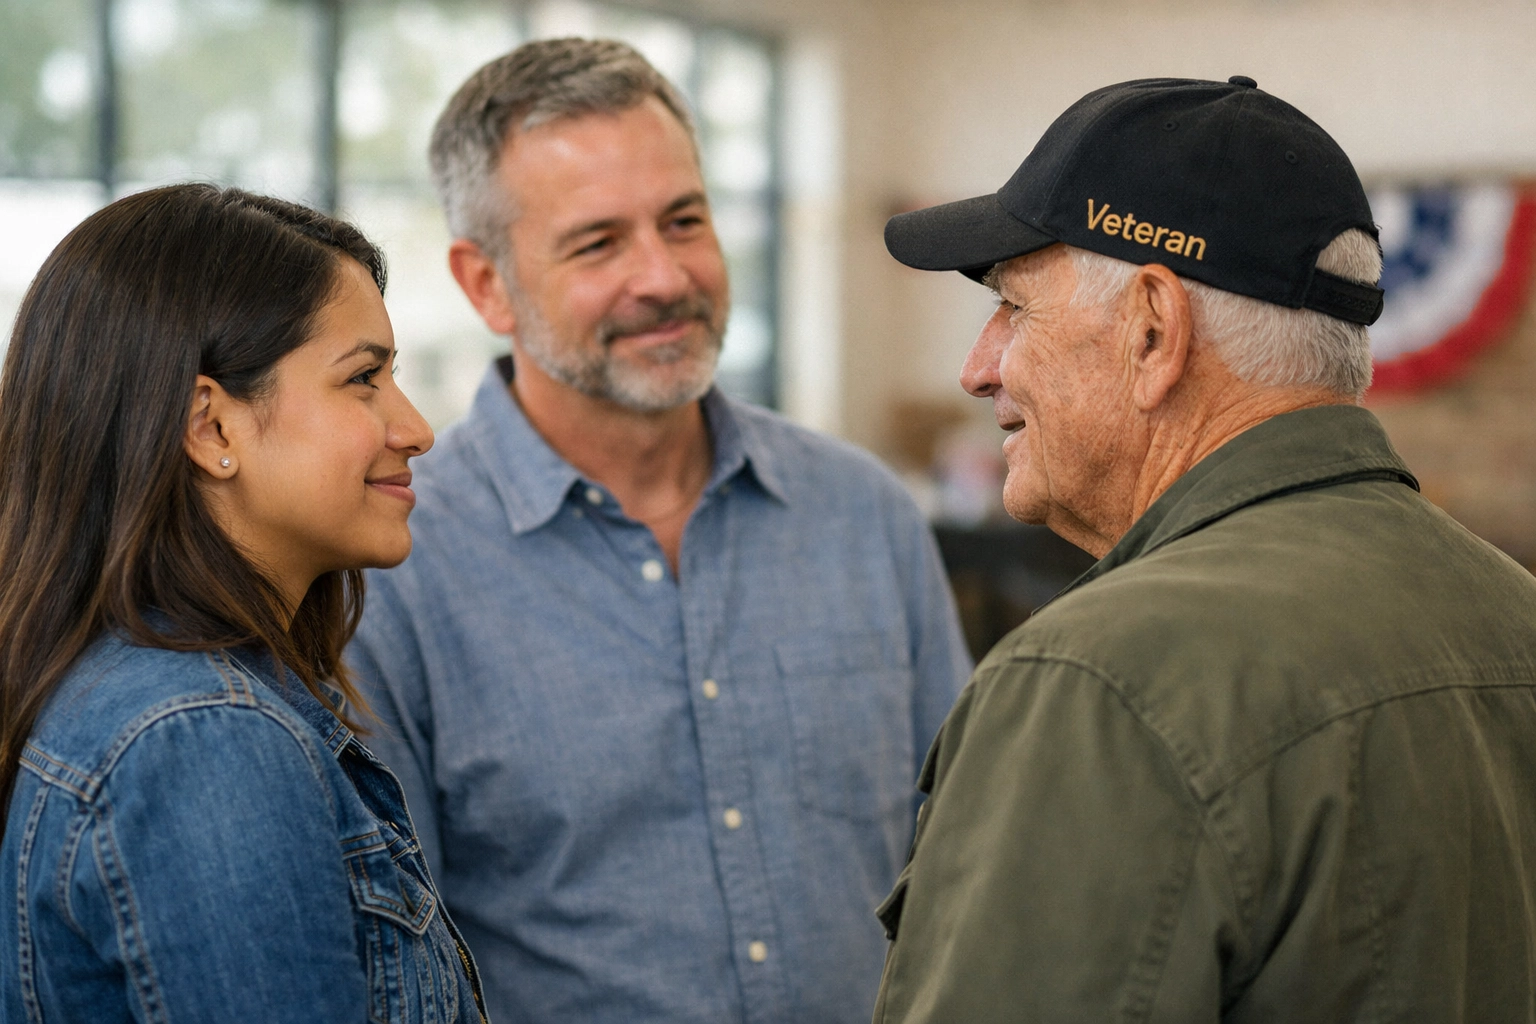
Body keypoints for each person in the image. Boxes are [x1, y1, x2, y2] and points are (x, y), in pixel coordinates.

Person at [874, 76, 1536, 1022]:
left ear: (1154, 330)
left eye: (1015, 309)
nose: (979, 369)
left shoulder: (1098, 682)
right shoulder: (1516, 615)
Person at [347, 38, 970, 1024]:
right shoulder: (395, 572)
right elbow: (394, 964)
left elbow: (963, 857)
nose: (664, 276)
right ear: (486, 284)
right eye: (598, 243)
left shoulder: (864, 515)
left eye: (685, 221)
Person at [0, 184, 488, 1023]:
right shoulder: (204, 736)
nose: (415, 428)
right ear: (212, 429)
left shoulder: (147, 698)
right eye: (364, 378)